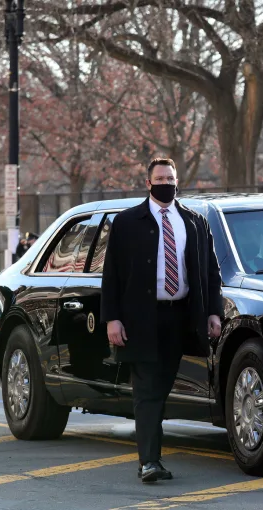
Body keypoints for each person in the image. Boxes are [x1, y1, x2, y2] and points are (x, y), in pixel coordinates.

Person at [101, 158, 223, 483]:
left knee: (162, 388)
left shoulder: (194, 222)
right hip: (141, 319)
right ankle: (149, 462)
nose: (165, 182)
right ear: (148, 183)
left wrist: (213, 312)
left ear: (177, 180)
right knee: (147, 390)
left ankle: (152, 457)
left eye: (170, 177)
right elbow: (110, 275)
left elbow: (211, 272)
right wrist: (112, 319)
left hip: (180, 316)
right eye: (159, 178)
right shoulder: (127, 222)